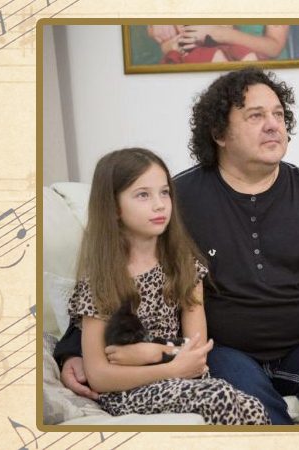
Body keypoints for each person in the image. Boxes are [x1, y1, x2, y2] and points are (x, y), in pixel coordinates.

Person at [55, 68, 299, 425]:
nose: (273, 125)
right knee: (244, 405)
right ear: (219, 133)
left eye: (278, 114)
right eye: (255, 116)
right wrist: (73, 349)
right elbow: (119, 265)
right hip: (222, 352)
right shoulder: (177, 200)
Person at [63, 147, 269, 425]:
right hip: (129, 391)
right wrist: (170, 367)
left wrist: (152, 353)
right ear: (113, 208)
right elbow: (99, 376)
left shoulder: (183, 265)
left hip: (185, 379)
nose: (160, 205)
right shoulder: (100, 281)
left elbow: (196, 352)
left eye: (164, 193)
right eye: (143, 195)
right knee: (219, 395)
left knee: (253, 407)